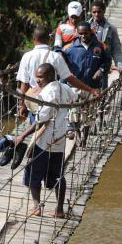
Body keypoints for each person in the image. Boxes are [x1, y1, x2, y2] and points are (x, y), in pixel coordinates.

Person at [14, 63, 77, 218]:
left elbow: (41, 119)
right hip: (60, 140)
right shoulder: (66, 89)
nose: (37, 80)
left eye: (40, 77)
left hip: (44, 140)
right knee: (58, 176)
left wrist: (22, 135)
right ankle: (60, 210)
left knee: (32, 171)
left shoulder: (48, 92)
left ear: (49, 76)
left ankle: (37, 207)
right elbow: (75, 100)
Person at [16, 25, 99, 119]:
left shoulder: (26, 56)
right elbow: (70, 79)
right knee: (51, 128)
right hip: (51, 100)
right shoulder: (55, 56)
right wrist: (91, 90)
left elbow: (24, 84)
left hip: (33, 99)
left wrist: (22, 105)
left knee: (34, 126)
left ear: (34, 38)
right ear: (49, 39)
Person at [88, 1, 122, 88]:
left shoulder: (111, 29)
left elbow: (116, 48)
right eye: (94, 12)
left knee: (102, 93)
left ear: (104, 11)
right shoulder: (85, 27)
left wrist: (119, 65)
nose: (96, 14)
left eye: (99, 12)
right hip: (88, 64)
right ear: (91, 12)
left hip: (103, 66)